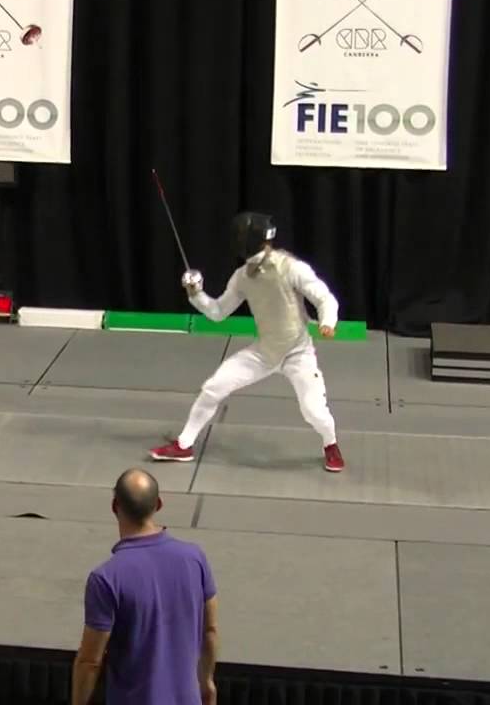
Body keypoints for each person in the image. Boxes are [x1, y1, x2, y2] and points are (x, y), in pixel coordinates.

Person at [150, 212, 346, 473]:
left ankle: (331, 444)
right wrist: (195, 293)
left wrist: (327, 321)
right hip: (264, 353)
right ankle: (184, 445)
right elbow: (218, 312)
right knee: (213, 387)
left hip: (298, 352)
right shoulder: (242, 277)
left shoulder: (290, 267)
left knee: (314, 411)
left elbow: (324, 298)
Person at [72, 469, 219, 705]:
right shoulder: (195, 558)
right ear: (158, 504)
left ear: (115, 506)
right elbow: (209, 629)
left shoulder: (106, 578)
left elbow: (90, 661)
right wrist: (207, 682)